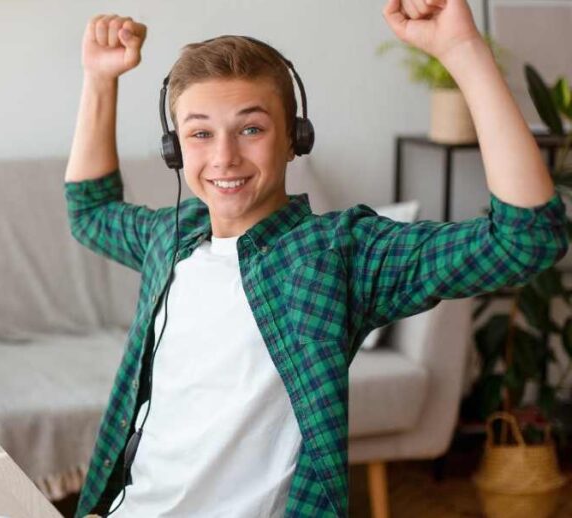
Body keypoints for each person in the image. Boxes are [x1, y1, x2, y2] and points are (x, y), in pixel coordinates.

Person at [63, 1, 569, 516]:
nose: (224, 157)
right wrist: (100, 79)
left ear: (294, 140)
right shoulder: (170, 238)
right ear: (175, 148)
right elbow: (90, 212)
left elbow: (525, 239)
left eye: (251, 129)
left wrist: (463, 52)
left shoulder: (336, 254)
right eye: (199, 133)